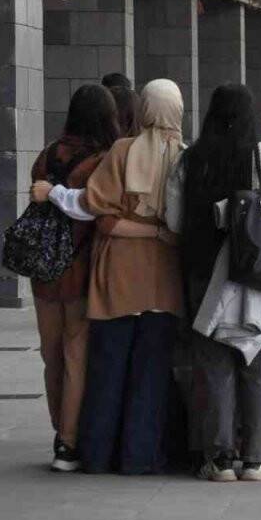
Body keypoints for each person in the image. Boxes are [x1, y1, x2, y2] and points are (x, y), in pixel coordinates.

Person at [162, 84, 261, 482]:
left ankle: (219, 459)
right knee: (257, 363)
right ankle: (255, 459)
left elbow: (173, 221)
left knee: (213, 366)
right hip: (257, 275)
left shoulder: (191, 159)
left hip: (205, 275)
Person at [77, 78, 185, 475]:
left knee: (107, 368)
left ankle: (97, 454)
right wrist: (158, 232)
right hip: (164, 280)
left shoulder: (122, 151)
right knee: (151, 374)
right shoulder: (186, 157)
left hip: (117, 274)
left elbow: (99, 212)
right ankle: (141, 457)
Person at [26, 84, 120, 472]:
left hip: (43, 272)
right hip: (80, 269)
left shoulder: (46, 156)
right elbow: (97, 209)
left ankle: (58, 432)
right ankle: (69, 442)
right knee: (75, 355)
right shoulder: (101, 160)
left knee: (51, 356)